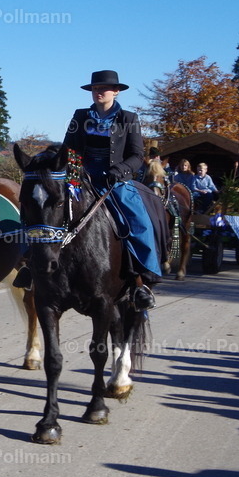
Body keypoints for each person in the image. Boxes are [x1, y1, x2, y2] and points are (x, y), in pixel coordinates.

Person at [61, 70, 165, 309]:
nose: (99, 92)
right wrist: (72, 170)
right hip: (82, 180)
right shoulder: (80, 116)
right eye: (95, 88)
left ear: (116, 92)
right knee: (47, 207)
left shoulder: (128, 118)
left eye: (103, 88)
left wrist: (120, 171)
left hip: (114, 180)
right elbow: (69, 149)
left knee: (139, 221)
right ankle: (30, 265)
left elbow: (137, 155)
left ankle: (144, 281)